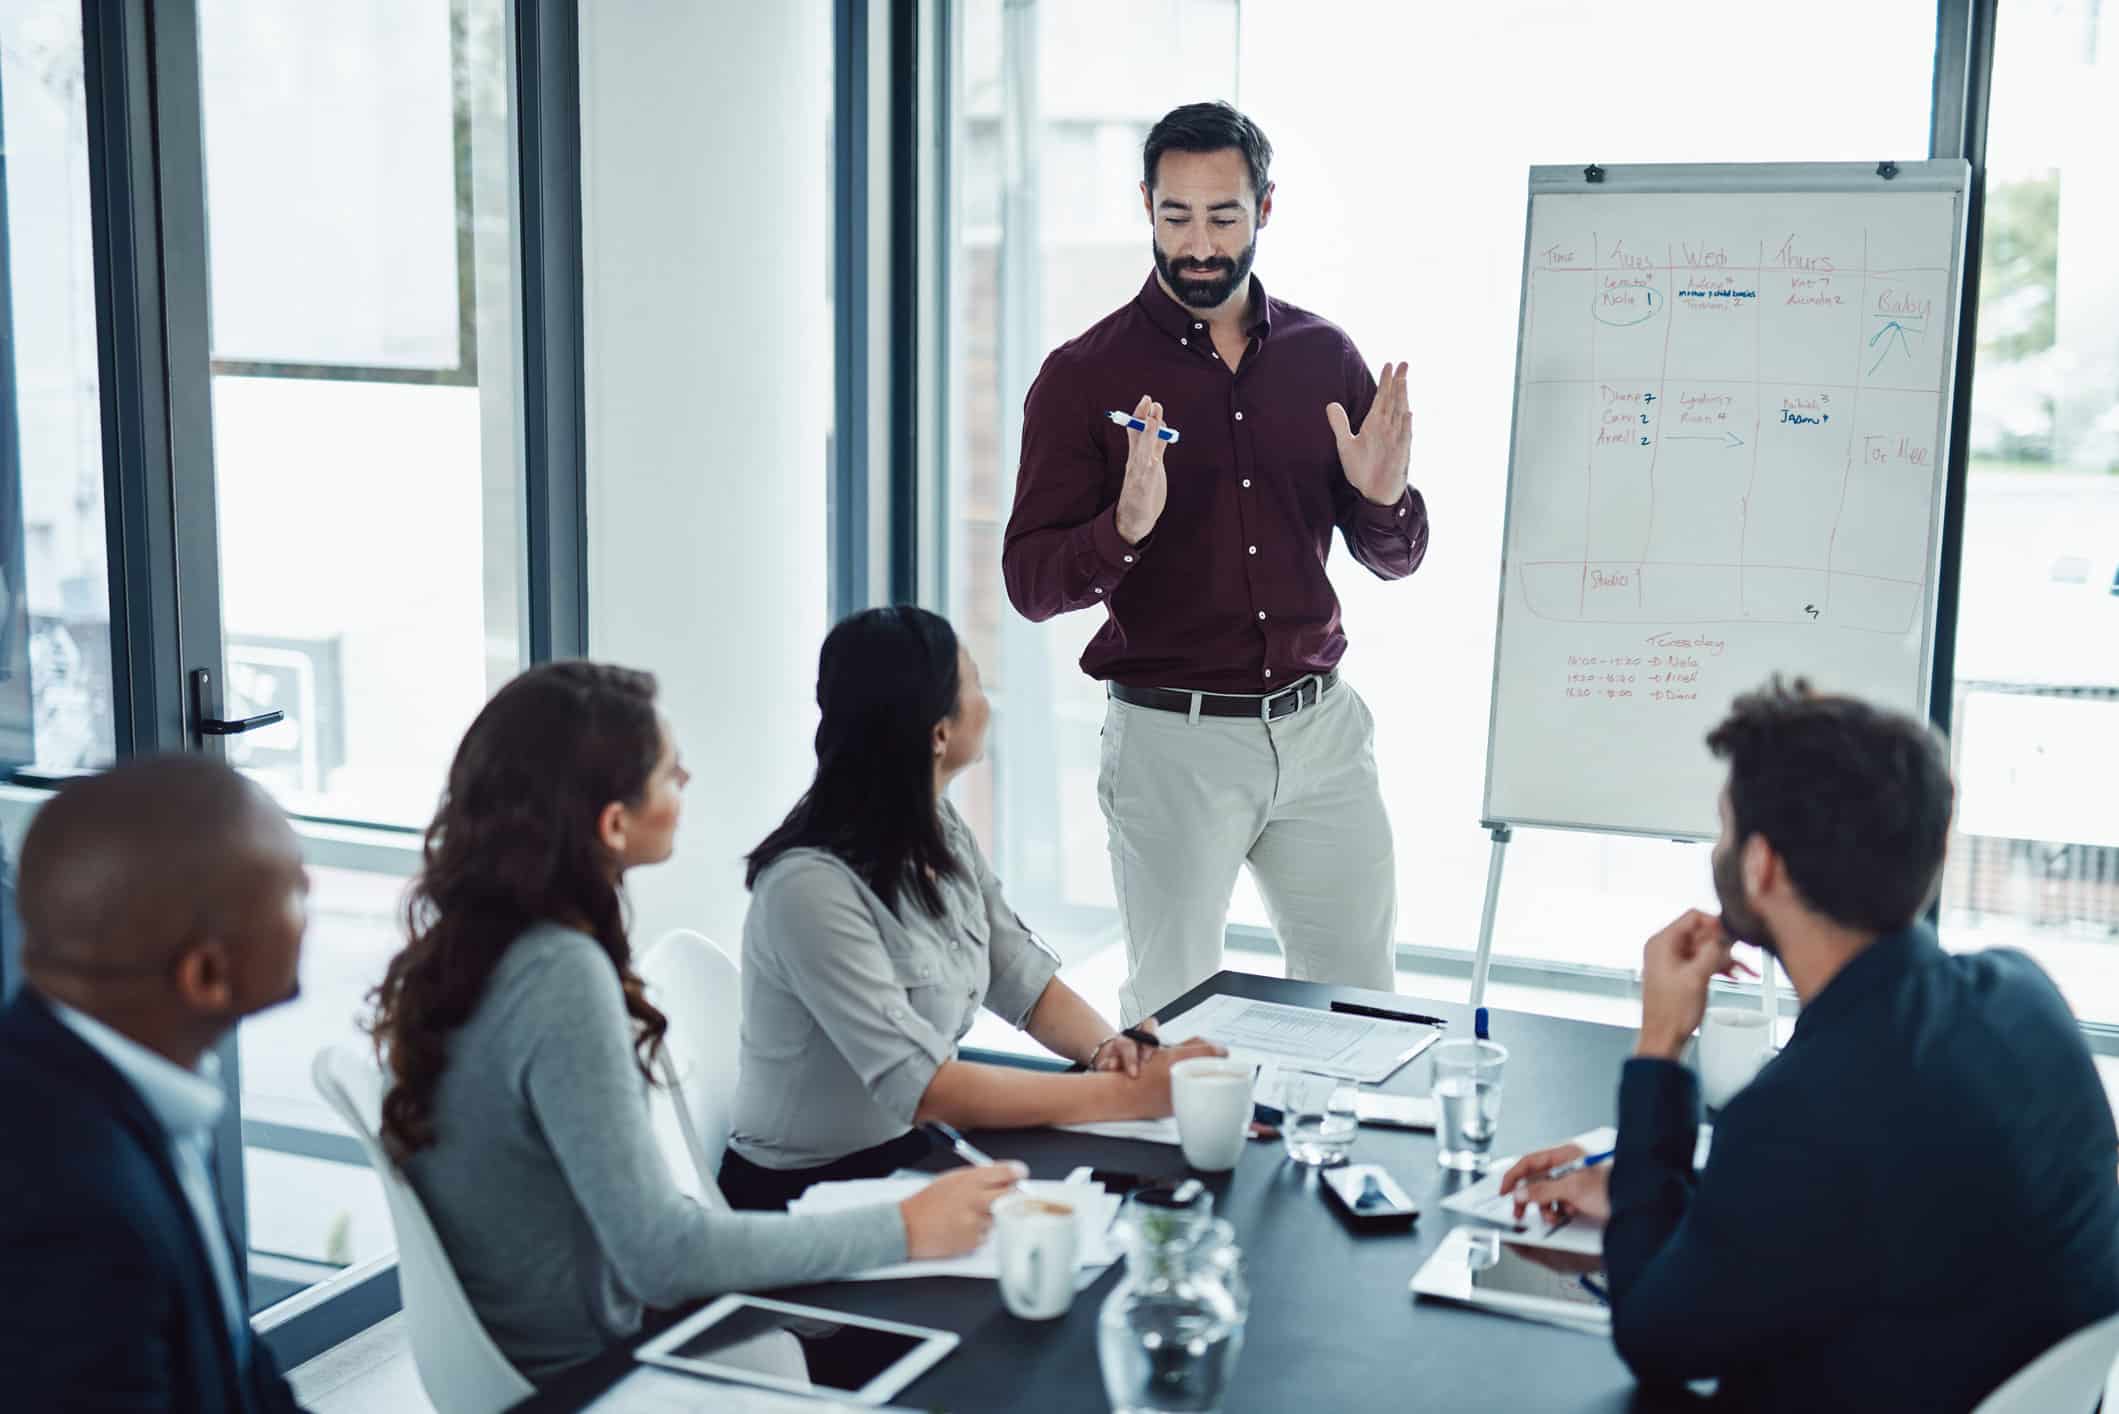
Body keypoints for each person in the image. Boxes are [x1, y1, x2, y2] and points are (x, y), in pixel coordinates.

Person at [366, 661, 1019, 1384]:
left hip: (545, 1345)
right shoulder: (560, 976)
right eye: (668, 772)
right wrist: (905, 1226)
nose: (687, 779)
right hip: (597, 1372)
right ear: (613, 823)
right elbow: (663, 1256)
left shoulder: (474, 948)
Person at [1500, 679, 2119, 1412]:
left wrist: (1660, 1040)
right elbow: (1884, 1197)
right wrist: (1650, 1190)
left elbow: (1653, 1339)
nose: (1718, 850)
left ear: (1762, 866)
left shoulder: (1802, 1110)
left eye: (1724, 828)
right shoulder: (2024, 996)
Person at [1001, 100, 1429, 1026]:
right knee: (1172, 1020)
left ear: (1264, 208)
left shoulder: (1324, 357)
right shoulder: (1083, 376)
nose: (1198, 245)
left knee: (1362, 1008)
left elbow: (1392, 559)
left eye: (1224, 217)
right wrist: (1122, 527)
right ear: (1145, 207)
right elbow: (1029, 585)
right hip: (1172, 747)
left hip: (1320, 736)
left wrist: (1383, 497)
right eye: (1176, 216)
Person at [723, 607, 1226, 1211]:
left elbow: (1016, 973)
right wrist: (1134, 1096)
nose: (988, 704)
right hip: (806, 1195)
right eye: (976, 685)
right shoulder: (808, 889)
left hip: (912, 1153)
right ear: (939, 734)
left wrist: (1109, 1053)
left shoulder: (934, 824)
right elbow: (925, 1088)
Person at [0, 756, 309, 1413]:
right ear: (207, 976)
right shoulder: (74, 1210)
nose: (310, 909)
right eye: (294, 891)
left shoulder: (138, 1086)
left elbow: (239, 1367)